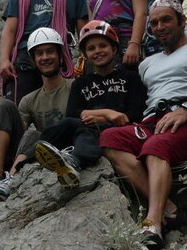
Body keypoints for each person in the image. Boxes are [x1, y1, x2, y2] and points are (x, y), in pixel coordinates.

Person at [99, 0, 187, 250]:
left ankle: (153, 223)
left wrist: (186, 110)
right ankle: (168, 207)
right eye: (154, 23)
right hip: (151, 120)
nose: (159, 27)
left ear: (182, 21)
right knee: (110, 139)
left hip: (186, 116)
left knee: (157, 146)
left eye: (166, 20)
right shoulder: (146, 65)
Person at [32, 20, 146, 187]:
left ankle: (75, 160)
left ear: (114, 49)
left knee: (87, 131)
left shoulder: (130, 77)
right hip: (86, 126)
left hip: (116, 130)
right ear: (85, 55)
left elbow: (133, 114)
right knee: (67, 125)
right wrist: (106, 113)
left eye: (103, 46)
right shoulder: (81, 83)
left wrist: (98, 116)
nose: (98, 51)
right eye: (91, 48)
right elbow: (72, 113)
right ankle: (28, 160)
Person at [0, 28, 74, 202]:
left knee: (35, 135)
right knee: (3, 105)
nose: (45, 57)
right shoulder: (29, 100)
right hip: (37, 152)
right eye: (39, 53)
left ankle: (11, 180)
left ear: (60, 56)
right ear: (33, 60)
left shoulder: (74, 87)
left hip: (66, 149)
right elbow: (21, 136)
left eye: (50, 51)